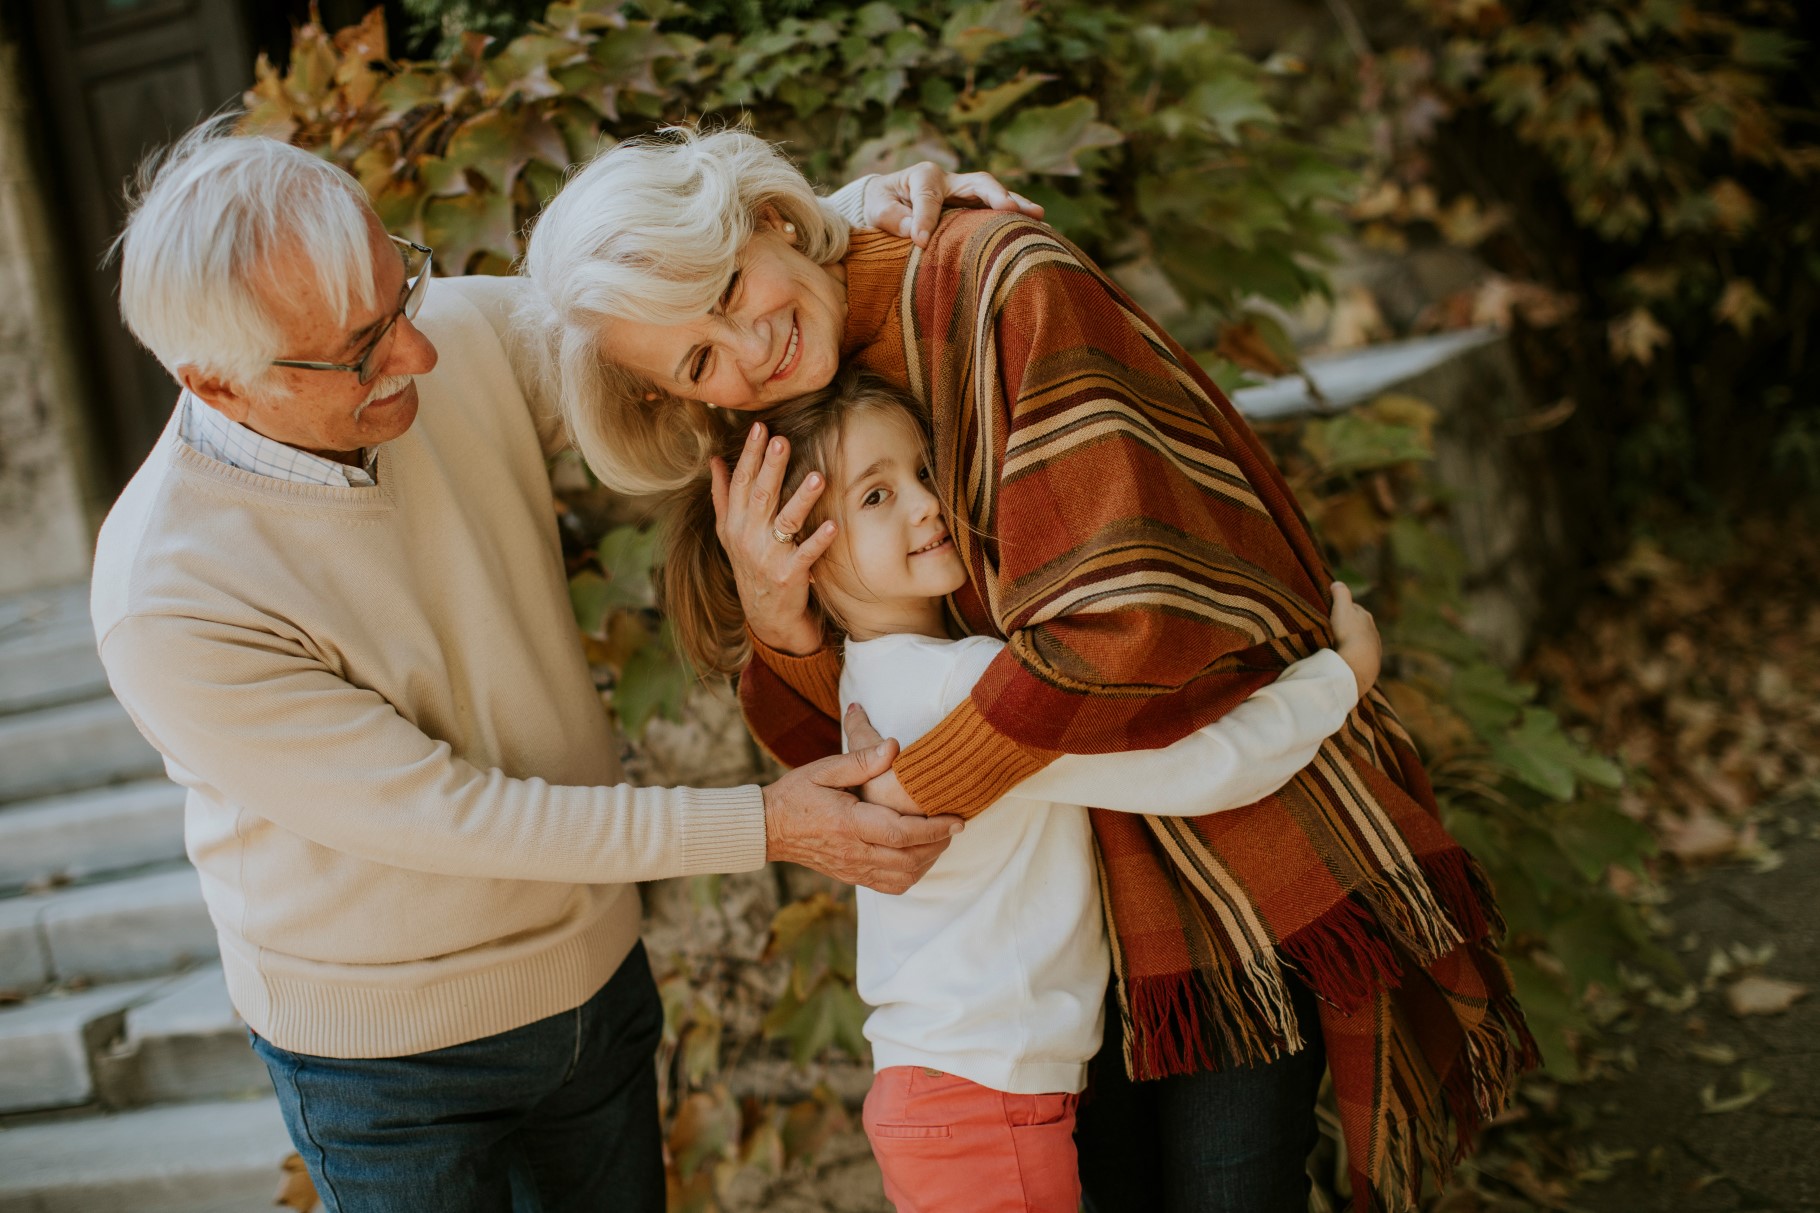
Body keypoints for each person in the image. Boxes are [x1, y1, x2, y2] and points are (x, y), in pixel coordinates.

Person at [522, 126, 1536, 1213]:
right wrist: (780, 621)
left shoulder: (1000, 281)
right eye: (695, 360)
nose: (746, 345)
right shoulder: (787, 426)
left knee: (1227, 1189)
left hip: (1219, 854)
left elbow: (1123, 633)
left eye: (727, 287)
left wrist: (929, 776)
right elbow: (846, 748)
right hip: (1047, 934)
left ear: (771, 218)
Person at [91, 117, 1037, 1213]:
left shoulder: (433, 342)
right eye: (363, 349)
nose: (423, 352)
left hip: (592, 990)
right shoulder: (165, 597)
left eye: (402, 286)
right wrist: (770, 825)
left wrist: (844, 215)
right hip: (388, 1068)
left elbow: (652, 311)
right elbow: (453, 817)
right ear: (218, 383)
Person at [657, 368, 1379, 1213]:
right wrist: (1339, 678)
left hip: (945, 1090)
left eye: (924, 471)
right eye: (877, 496)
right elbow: (1197, 769)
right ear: (802, 556)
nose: (928, 503)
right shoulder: (969, 687)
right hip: (983, 1102)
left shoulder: (868, 677)